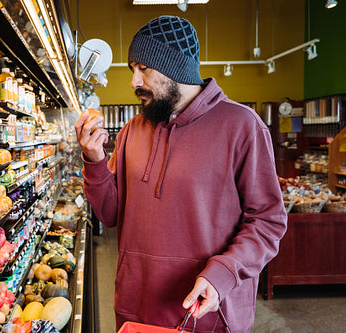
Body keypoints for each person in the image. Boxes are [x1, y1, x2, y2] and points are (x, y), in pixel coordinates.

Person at [75, 15, 287, 333]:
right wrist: (94, 160)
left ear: (175, 68)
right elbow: (109, 214)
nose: (133, 82)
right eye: (132, 69)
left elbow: (268, 223)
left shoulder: (242, 126)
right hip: (136, 310)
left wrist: (224, 272)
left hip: (206, 312)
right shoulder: (133, 130)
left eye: (143, 68)